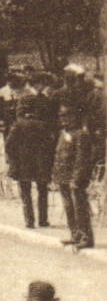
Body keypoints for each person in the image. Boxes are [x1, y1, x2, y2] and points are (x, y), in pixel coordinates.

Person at [5, 98, 55, 229]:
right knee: (42, 191)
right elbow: (50, 145)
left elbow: (8, 145)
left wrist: (13, 160)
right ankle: (43, 220)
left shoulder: (17, 125)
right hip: (41, 164)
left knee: (26, 192)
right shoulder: (42, 125)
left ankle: (29, 220)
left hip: (23, 164)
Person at [52, 105, 96, 249]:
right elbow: (58, 156)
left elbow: (81, 159)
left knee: (79, 208)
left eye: (66, 117)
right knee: (68, 207)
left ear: (74, 118)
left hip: (75, 179)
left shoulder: (80, 134)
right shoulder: (62, 134)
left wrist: (77, 179)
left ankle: (86, 237)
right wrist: (56, 175)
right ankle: (75, 234)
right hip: (63, 177)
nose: (64, 120)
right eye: (61, 117)